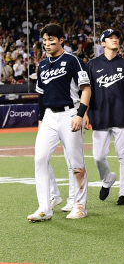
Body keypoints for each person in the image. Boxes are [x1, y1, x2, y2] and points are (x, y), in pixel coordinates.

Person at [29, 24, 91, 222]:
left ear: (61, 40)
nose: (47, 44)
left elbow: (86, 89)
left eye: (51, 40)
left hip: (70, 113)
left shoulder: (73, 61)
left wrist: (80, 114)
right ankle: (44, 208)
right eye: (45, 40)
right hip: (49, 117)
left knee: (76, 163)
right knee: (40, 158)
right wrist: (40, 120)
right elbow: (40, 96)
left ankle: (80, 206)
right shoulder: (43, 65)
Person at [87, 29, 124, 206]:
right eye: (110, 38)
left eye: (117, 37)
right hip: (99, 115)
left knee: (123, 155)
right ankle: (108, 178)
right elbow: (87, 92)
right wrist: (85, 113)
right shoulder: (92, 65)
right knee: (98, 157)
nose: (115, 39)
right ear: (102, 43)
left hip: (121, 115)